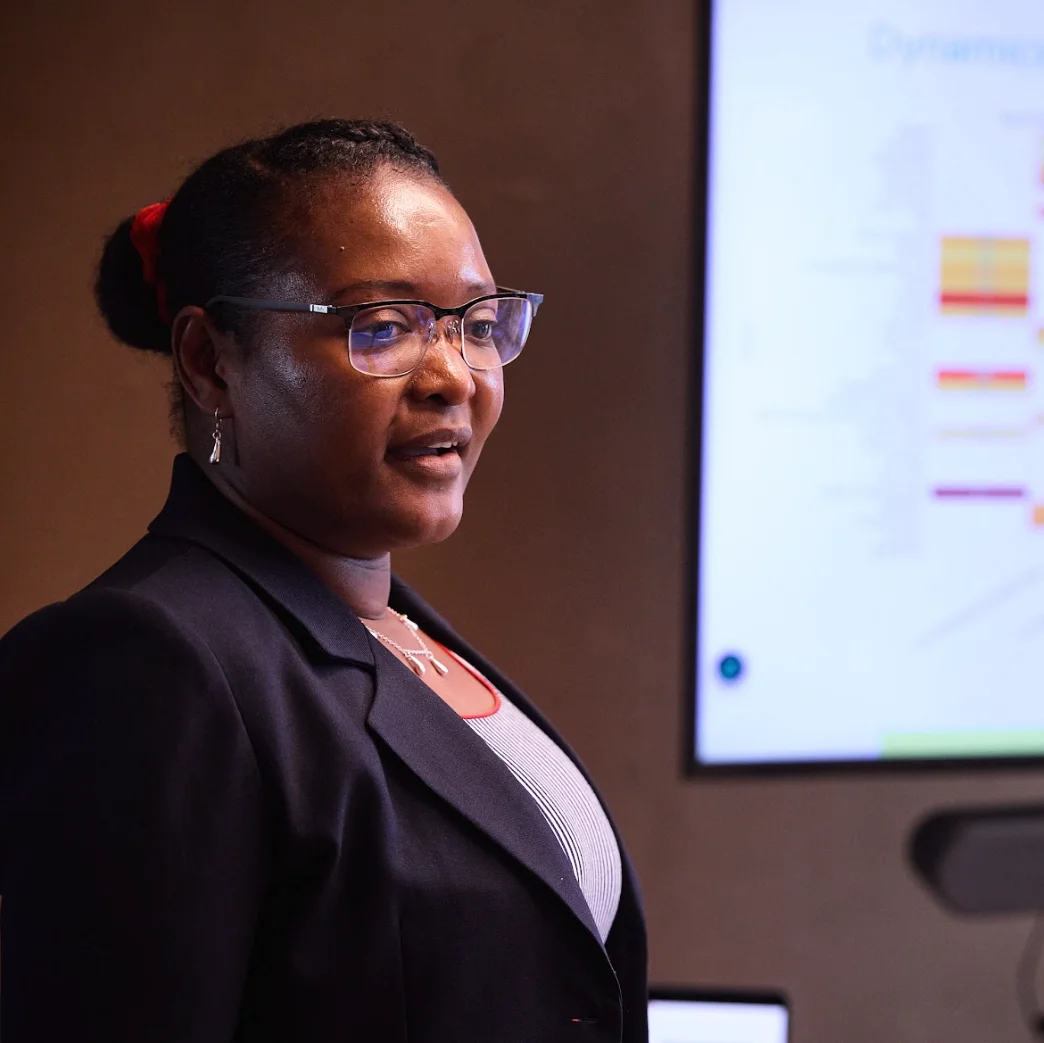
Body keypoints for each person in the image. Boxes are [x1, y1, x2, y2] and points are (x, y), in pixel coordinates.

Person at [0, 119, 648, 1042]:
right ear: (210, 361)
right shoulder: (146, 665)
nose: (452, 377)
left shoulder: (403, 634)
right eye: (380, 327)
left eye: (476, 323)